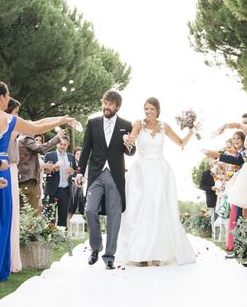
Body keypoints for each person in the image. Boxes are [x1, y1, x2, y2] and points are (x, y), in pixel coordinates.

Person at [0, 81, 75, 282]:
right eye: (7, 96)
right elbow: (37, 125)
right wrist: (61, 120)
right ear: (1, 98)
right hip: (3, 169)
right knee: (1, 219)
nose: (8, 99)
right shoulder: (8, 119)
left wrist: (60, 118)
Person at [118, 98, 196, 266]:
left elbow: (181, 142)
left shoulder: (164, 126)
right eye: (146, 108)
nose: (148, 111)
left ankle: (157, 253)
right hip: (142, 172)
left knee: (158, 210)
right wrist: (127, 139)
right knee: (140, 209)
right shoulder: (138, 124)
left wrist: (192, 131)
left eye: (151, 109)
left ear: (157, 110)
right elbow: (130, 142)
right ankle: (140, 254)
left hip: (160, 172)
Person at [75, 90, 136, 269]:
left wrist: (128, 143)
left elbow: (131, 152)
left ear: (117, 106)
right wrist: (80, 172)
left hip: (116, 177)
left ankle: (109, 255)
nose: (105, 107)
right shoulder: (93, 123)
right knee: (90, 209)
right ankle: (96, 247)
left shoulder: (126, 124)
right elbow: (85, 150)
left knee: (114, 217)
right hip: (96, 175)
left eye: (109, 104)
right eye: (104, 103)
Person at [18, 132, 62, 211]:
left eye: (40, 140)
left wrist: (46, 168)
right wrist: (57, 138)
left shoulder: (34, 153)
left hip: (36, 182)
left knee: (35, 210)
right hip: (29, 182)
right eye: (36, 140)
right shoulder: (25, 139)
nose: (37, 142)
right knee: (31, 212)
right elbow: (41, 149)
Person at [44, 136, 78, 228]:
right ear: (57, 144)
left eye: (64, 145)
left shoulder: (71, 157)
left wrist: (73, 172)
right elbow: (44, 171)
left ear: (67, 145)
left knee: (63, 216)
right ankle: (49, 236)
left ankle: (62, 236)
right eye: (60, 144)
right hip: (52, 189)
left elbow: (76, 172)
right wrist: (53, 168)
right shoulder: (49, 155)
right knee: (49, 216)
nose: (62, 146)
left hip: (66, 190)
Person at [5, 98, 22, 273]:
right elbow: (36, 125)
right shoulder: (10, 127)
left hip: (12, 169)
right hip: (7, 169)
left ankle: (12, 258)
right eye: (16, 112)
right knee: (11, 214)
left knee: (14, 214)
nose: (18, 116)